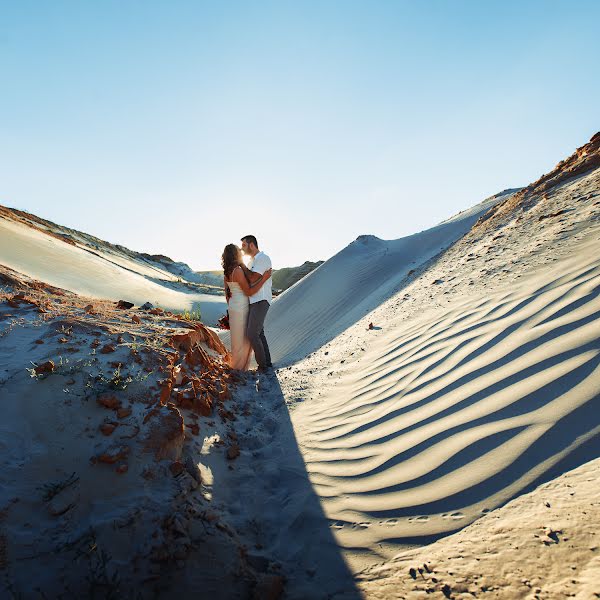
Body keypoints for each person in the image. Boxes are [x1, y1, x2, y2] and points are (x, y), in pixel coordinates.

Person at [221, 243, 271, 370]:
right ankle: (242, 368)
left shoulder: (226, 272)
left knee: (237, 339)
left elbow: (227, 295)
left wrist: (232, 307)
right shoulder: (237, 271)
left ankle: (238, 365)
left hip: (233, 306)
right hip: (242, 306)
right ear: (235, 255)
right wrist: (264, 278)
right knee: (245, 338)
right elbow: (249, 292)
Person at [240, 235, 273, 371]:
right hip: (253, 300)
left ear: (251, 245)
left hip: (261, 299)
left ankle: (263, 366)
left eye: (244, 245)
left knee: (252, 333)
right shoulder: (251, 261)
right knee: (259, 333)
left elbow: (253, 279)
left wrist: (241, 265)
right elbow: (248, 281)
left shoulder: (262, 258)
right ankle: (267, 363)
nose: (242, 248)